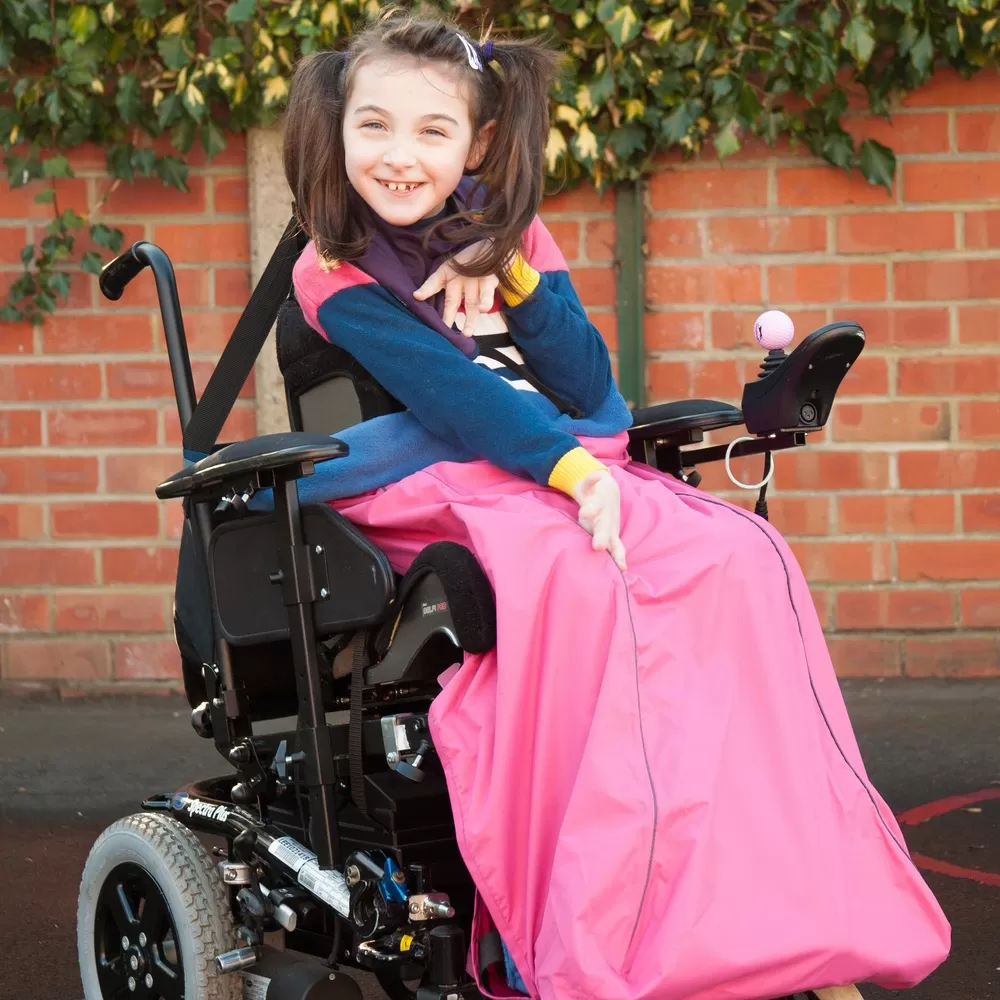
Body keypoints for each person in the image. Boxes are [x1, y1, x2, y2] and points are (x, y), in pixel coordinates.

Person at [279, 10, 951, 1000]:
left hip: (531, 468)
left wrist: (505, 262)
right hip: (421, 483)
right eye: (373, 126)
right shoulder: (328, 268)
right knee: (581, 576)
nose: (398, 154)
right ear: (337, 131)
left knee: (740, 560)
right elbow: (458, 403)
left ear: (476, 141)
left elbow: (585, 377)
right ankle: (579, 919)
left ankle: (769, 899)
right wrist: (578, 472)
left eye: (431, 131)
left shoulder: (509, 236)